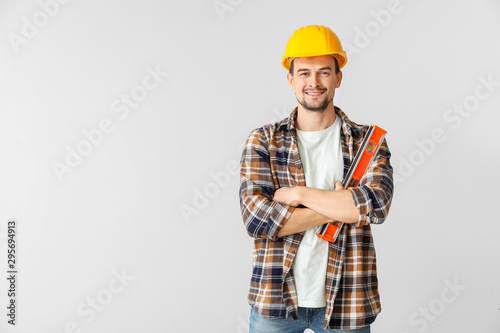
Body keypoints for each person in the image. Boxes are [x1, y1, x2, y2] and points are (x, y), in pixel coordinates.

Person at [238, 25, 394, 332]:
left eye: (324, 72)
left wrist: (298, 195)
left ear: (338, 77)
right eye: (305, 73)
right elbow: (258, 220)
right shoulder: (263, 141)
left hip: (347, 297)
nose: (314, 82)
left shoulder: (367, 142)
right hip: (276, 298)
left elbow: (376, 206)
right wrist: (341, 205)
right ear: (291, 79)